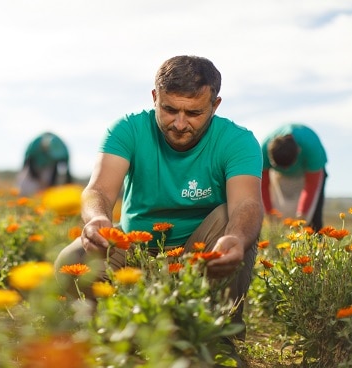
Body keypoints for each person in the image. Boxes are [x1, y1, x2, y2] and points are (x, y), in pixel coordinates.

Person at [54, 55, 264, 365]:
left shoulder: (238, 141)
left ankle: (218, 340)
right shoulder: (127, 129)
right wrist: (98, 218)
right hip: (136, 255)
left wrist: (236, 238)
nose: (179, 124)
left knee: (234, 225)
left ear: (215, 106)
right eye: (169, 109)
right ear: (155, 98)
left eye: (193, 113)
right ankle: (114, 331)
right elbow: (98, 189)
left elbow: (247, 204)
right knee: (70, 261)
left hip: (199, 260)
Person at [261, 124, 327, 231]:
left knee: (314, 219)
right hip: (278, 179)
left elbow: (311, 187)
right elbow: (262, 185)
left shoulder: (312, 148)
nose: (287, 171)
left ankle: (314, 244)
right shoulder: (263, 150)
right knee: (271, 219)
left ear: (299, 152)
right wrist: (269, 212)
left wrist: (302, 214)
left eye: (288, 168)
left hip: (310, 175)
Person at [17, 132, 72, 196]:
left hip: (50, 166)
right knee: (27, 183)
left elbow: (67, 173)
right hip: (34, 163)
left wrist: (52, 185)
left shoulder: (64, 151)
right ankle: (23, 196)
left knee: (47, 184)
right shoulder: (35, 145)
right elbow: (28, 162)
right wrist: (35, 175)